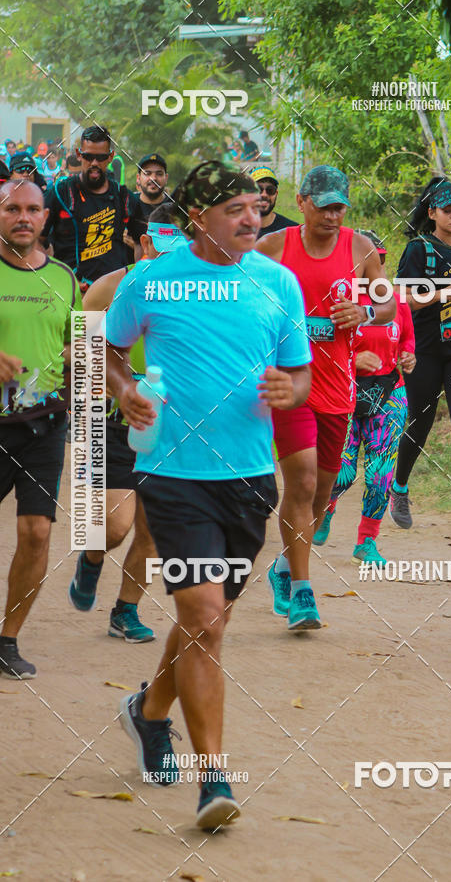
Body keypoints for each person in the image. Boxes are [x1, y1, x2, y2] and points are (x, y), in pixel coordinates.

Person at [105, 160, 311, 829]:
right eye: (235, 210)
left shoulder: (278, 283)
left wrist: (291, 391)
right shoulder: (151, 279)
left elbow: (301, 374)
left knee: (204, 621)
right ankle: (213, 781)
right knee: (206, 617)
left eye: (255, 207)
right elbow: (106, 347)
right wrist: (125, 390)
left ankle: (149, 712)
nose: (253, 219)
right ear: (198, 218)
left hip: (250, 480)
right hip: (174, 473)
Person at [257, 166, 396, 630]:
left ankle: (282, 566)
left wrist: (364, 310)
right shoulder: (276, 247)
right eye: (326, 205)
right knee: (300, 483)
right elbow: (242, 296)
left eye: (341, 207)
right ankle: (302, 592)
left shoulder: (359, 248)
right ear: (303, 202)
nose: (334, 215)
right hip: (292, 384)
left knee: (324, 492)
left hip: (339, 386)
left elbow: (388, 303)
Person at [67, 204, 186, 641]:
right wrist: (113, 394)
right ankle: (92, 558)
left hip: (167, 426)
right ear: (140, 241)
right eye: (158, 249)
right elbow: (79, 357)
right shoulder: (105, 290)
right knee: (114, 527)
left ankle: (125, 611)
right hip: (112, 424)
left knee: (154, 530)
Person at [0, 180, 82, 679]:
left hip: (45, 425)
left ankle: (7, 640)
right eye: (12, 209)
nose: (22, 217)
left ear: (45, 219)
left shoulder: (65, 279)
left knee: (36, 533)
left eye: (32, 210)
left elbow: (80, 344)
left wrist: (86, 368)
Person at [389, 177, 451, 538]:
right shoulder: (419, 250)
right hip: (426, 349)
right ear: (432, 213)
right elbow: (401, 300)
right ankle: (399, 488)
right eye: (448, 210)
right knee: (420, 422)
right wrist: (441, 294)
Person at [314, 230, 416, 564]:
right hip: (343, 389)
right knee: (341, 472)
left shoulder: (396, 301)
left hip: (390, 393)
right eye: (367, 261)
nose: (376, 267)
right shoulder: (339, 300)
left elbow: (407, 340)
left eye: (382, 260)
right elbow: (318, 346)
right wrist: (353, 359)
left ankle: (366, 541)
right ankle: (325, 509)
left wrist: (408, 357)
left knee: (380, 475)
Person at [41, 125, 133, 292]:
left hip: (111, 296)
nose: (94, 163)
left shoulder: (122, 195)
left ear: (111, 157)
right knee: (82, 320)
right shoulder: (61, 193)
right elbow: (37, 240)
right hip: (71, 293)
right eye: (88, 157)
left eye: (101, 157)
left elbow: (147, 240)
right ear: (79, 155)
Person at [126, 153, 169, 258]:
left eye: (159, 174)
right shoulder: (127, 206)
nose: (153, 178)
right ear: (138, 178)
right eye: (147, 173)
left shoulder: (174, 209)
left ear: (166, 178)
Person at [249, 166, 298, 238]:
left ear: (276, 194)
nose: (264, 195)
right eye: (258, 189)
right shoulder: (235, 229)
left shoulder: (291, 231)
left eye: (270, 190)